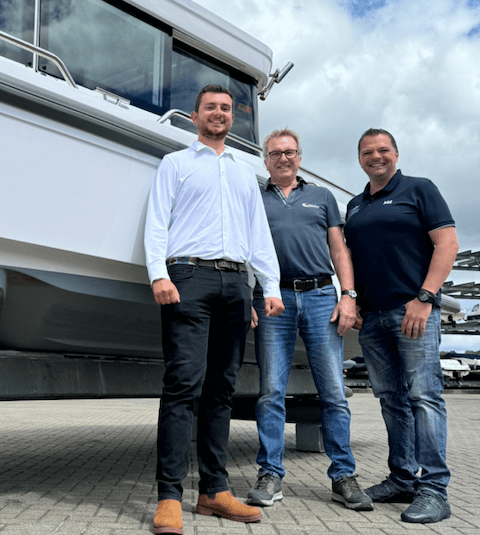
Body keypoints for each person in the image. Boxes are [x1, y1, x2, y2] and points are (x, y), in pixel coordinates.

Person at [144, 84, 284, 534]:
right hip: (188, 276)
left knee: (222, 389)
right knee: (183, 384)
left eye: (226, 108)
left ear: (232, 117)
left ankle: (214, 491)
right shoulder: (176, 163)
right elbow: (156, 220)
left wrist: (269, 285)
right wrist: (157, 274)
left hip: (236, 284)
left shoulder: (246, 174)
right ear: (195, 115)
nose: (219, 114)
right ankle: (169, 497)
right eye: (211, 108)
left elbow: (257, 232)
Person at [245, 129, 372, 512]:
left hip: (320, 296)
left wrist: (348, 296)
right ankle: (270, 474)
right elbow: (242, 248)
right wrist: (244, 297)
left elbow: (339, 248)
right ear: (265, 160)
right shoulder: (254, 197)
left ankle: (343, 477)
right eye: (275, 153)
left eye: (290, 152)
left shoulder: (322, 197)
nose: (283, 158)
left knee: (333, 391)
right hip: (271, 297)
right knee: (271, 392)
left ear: (299, 157)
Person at [343, 128, 459, 524]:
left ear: (395, 153)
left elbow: (447, 244)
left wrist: (425, 299)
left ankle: (434, 489)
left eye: (383, 150)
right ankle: (402, 478)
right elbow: (354, 259)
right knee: (391, 400)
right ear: (359, 159)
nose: (375, 157)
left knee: (424, 398)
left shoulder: (419, 189)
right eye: (367, 152)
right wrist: (355, 300)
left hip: (413, 311)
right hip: (373, 318)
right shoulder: (355, 206)